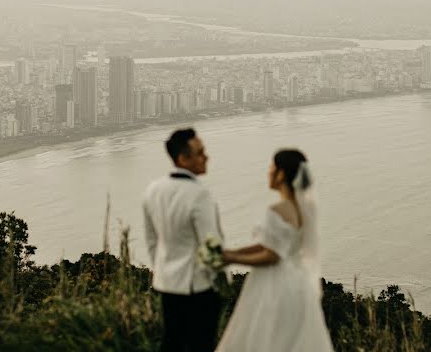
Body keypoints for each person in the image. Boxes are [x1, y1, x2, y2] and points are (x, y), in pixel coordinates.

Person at [215, 149, 334, 352]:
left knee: (268, 338)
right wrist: (232, 252)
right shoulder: (308, 208)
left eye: (271, 168)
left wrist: (233, 258)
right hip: (299, 282)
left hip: (275, 284)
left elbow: (272, 255)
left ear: (281, 174)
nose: (268, 173)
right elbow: (270, 245)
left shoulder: (276, 211)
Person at [143, 128, 224, 352]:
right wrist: (218, 281)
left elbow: (152, 242)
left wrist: (163, 272)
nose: (206, 157)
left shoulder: (153, 190)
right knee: (201, 345)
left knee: (172, 343)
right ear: (183, 158)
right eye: (200, 153)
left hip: (167, 285)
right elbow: (212, 246)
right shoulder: (199, 194)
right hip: (197, 286)